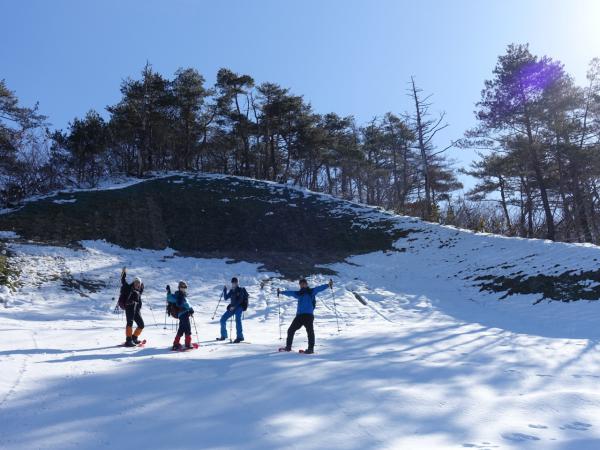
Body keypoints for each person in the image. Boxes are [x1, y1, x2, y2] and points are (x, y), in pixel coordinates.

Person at [278, 278, 333, 354]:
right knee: (290, 330)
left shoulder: (311, 292)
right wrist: (281, 292)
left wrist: (328, 285)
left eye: (303, 283)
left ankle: (310, 349)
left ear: (306, 284)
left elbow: (319, 288)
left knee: (310, 332)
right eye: (301, 284)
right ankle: (288, 347)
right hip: (299, 316)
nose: (302, 285)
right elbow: (290, 293)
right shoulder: (298, 294)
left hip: (308, 316)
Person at [217, 277, 248, 343]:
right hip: (232, 308)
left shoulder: (241, 290)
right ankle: (224, 335)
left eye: (235, 283)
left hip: (239, 307)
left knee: (237, 320)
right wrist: (225, 290)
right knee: (222, 319)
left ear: (237, 283)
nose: (233, 284)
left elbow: (240, 300)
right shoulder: (232, 290)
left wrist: (234, 307)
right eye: (233, 283)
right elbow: (225, 298)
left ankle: (240, 337)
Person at [166, 280, 195, 350]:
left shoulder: (182, 295)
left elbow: (170, 298)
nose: (183, 289)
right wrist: (168, 292)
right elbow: (170, 299)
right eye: (182, 287)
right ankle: (188, 344)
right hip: (183, 314)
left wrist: (190, 308)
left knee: (181, 329)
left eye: (184, 288)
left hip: (182, 314)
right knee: (187, 328)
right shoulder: (178, 295)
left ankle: (176, 343)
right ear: (179, 288)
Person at [120, 267, 144, 347]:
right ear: (133, 283)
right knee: (129, 323)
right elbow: (123, 281)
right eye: (136, 282)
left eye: (139, 283)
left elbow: (140, 292)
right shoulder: (128, 288)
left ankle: (134, 338)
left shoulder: (139, 291)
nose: (137, 284)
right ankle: (128, 340)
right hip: (129, 308)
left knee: (141, 325)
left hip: (136, 310)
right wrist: (123, 274)